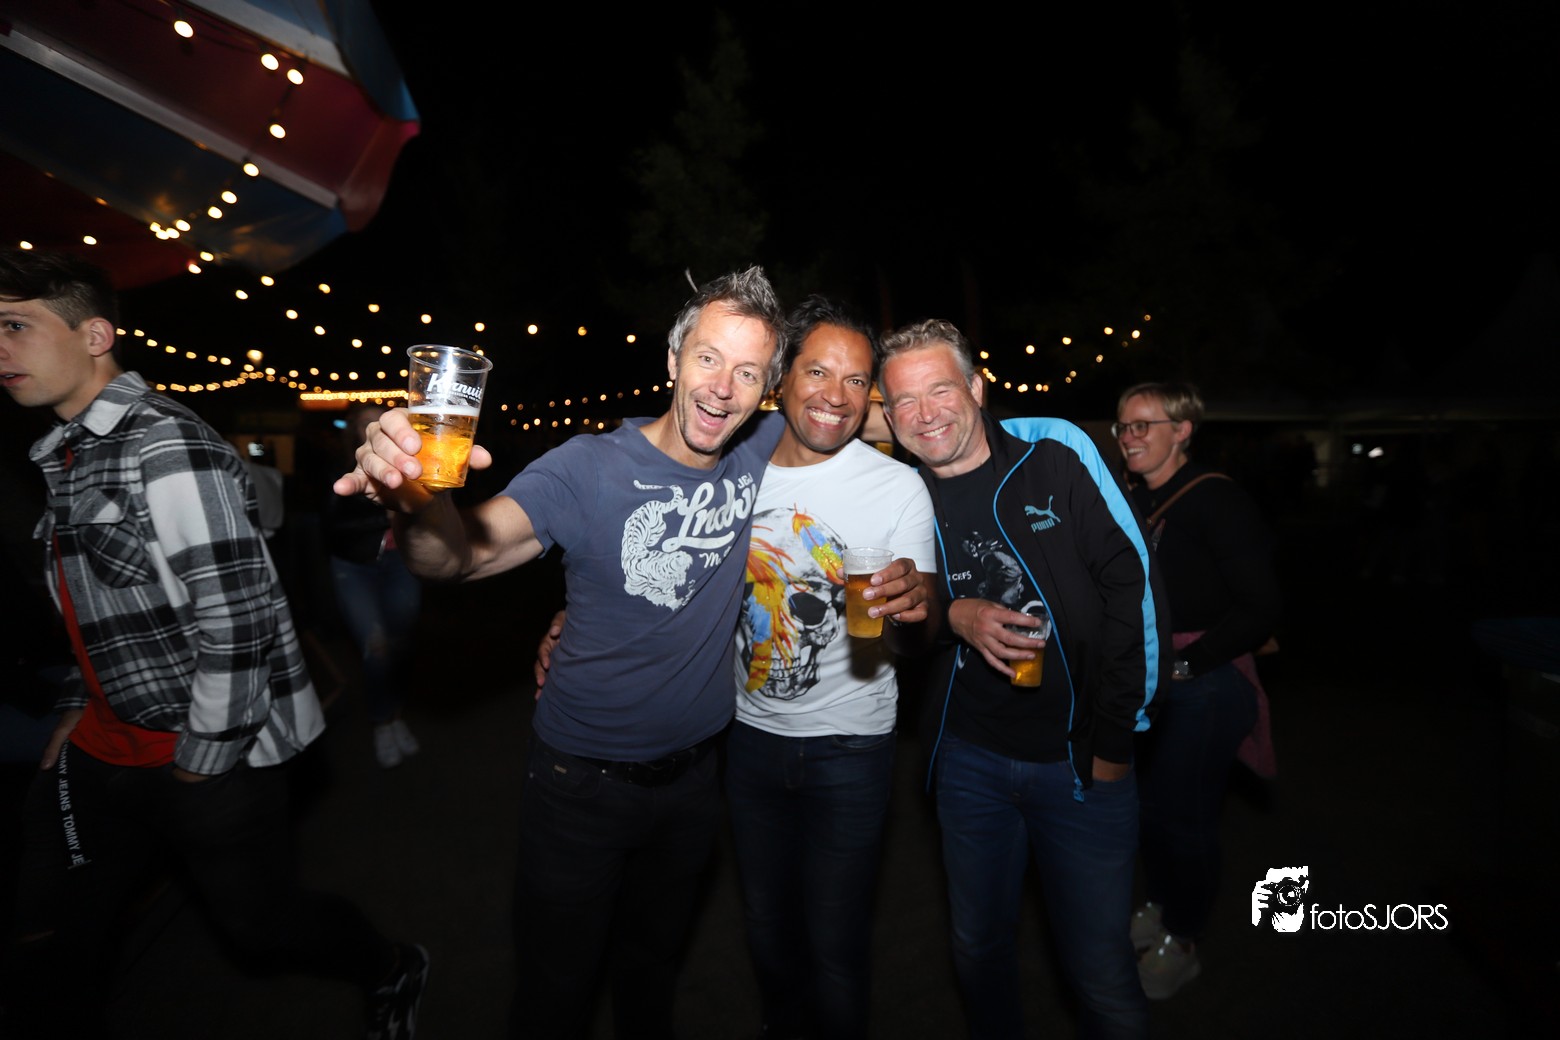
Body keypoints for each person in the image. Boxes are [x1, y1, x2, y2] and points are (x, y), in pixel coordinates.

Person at [334, 269, 927, 1039]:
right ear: (673, 360)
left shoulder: (754, 451)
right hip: (580, 785)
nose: (724, 388)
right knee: (556, 994)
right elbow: (458, 557)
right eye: (709, 359)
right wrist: (416, 495)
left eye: (749, 372)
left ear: (765, 391)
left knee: (651, 977)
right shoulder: (587, 468)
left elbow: (850, 408)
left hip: (695, 786)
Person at [0, 248, 427, 1040]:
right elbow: (98, 607)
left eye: (15, 326)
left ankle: (390, 965)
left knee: (260, 926)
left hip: (194, 751)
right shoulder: (66, 451)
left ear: (94, 335)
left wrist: (204, 757)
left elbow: (237, 615)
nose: (0, 350)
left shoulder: (163, 442)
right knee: (53, 931)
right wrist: (74, 703)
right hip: (99, 746)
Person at [877, 319, 1169, 1040]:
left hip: (1080, 764)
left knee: (1099, 972)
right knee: (977, 950)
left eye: (939, 390)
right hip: (968, 762)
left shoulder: (1054, 452)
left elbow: (1131, 587)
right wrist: (955, 614)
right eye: (904, 400)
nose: (924, 413)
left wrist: (1116, 739)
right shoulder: (899, 496)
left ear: (977, 389)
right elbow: (903, 633)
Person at [725, 297, 936, 1040]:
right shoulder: (733, 472)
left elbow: (914, 636)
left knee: (836, 944)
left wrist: (913, 612)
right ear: (783, 375)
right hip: (746, 741)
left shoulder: (896, 486)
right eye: (818, 372)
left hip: (851, 749)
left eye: (856, 381)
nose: (836, 396)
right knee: (766, 930)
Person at [1113, 382, 1280, 998]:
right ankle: (1162, 908)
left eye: (1144, 425)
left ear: (1182, 430)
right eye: (1123, 427)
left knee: (1186, 819)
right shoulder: (1134, 496)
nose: (1129, 437)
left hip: (1205, 682)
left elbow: (1261, 606)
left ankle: (1184, 941)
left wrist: (1188, 665)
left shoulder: (1216, 499)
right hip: (1151, 678)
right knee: (1153, 812)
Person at [324, 404, 424, 768]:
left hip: (399, 565)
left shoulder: (409, 461)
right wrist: (383, 516)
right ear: (354, 430)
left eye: (379, 421)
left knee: (399, 642)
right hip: (353, 567)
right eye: (366, 423)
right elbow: (331, 525)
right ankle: (383, 721)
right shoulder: (338, 467)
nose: (374, 428)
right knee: (376, 646)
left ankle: (396, 710)